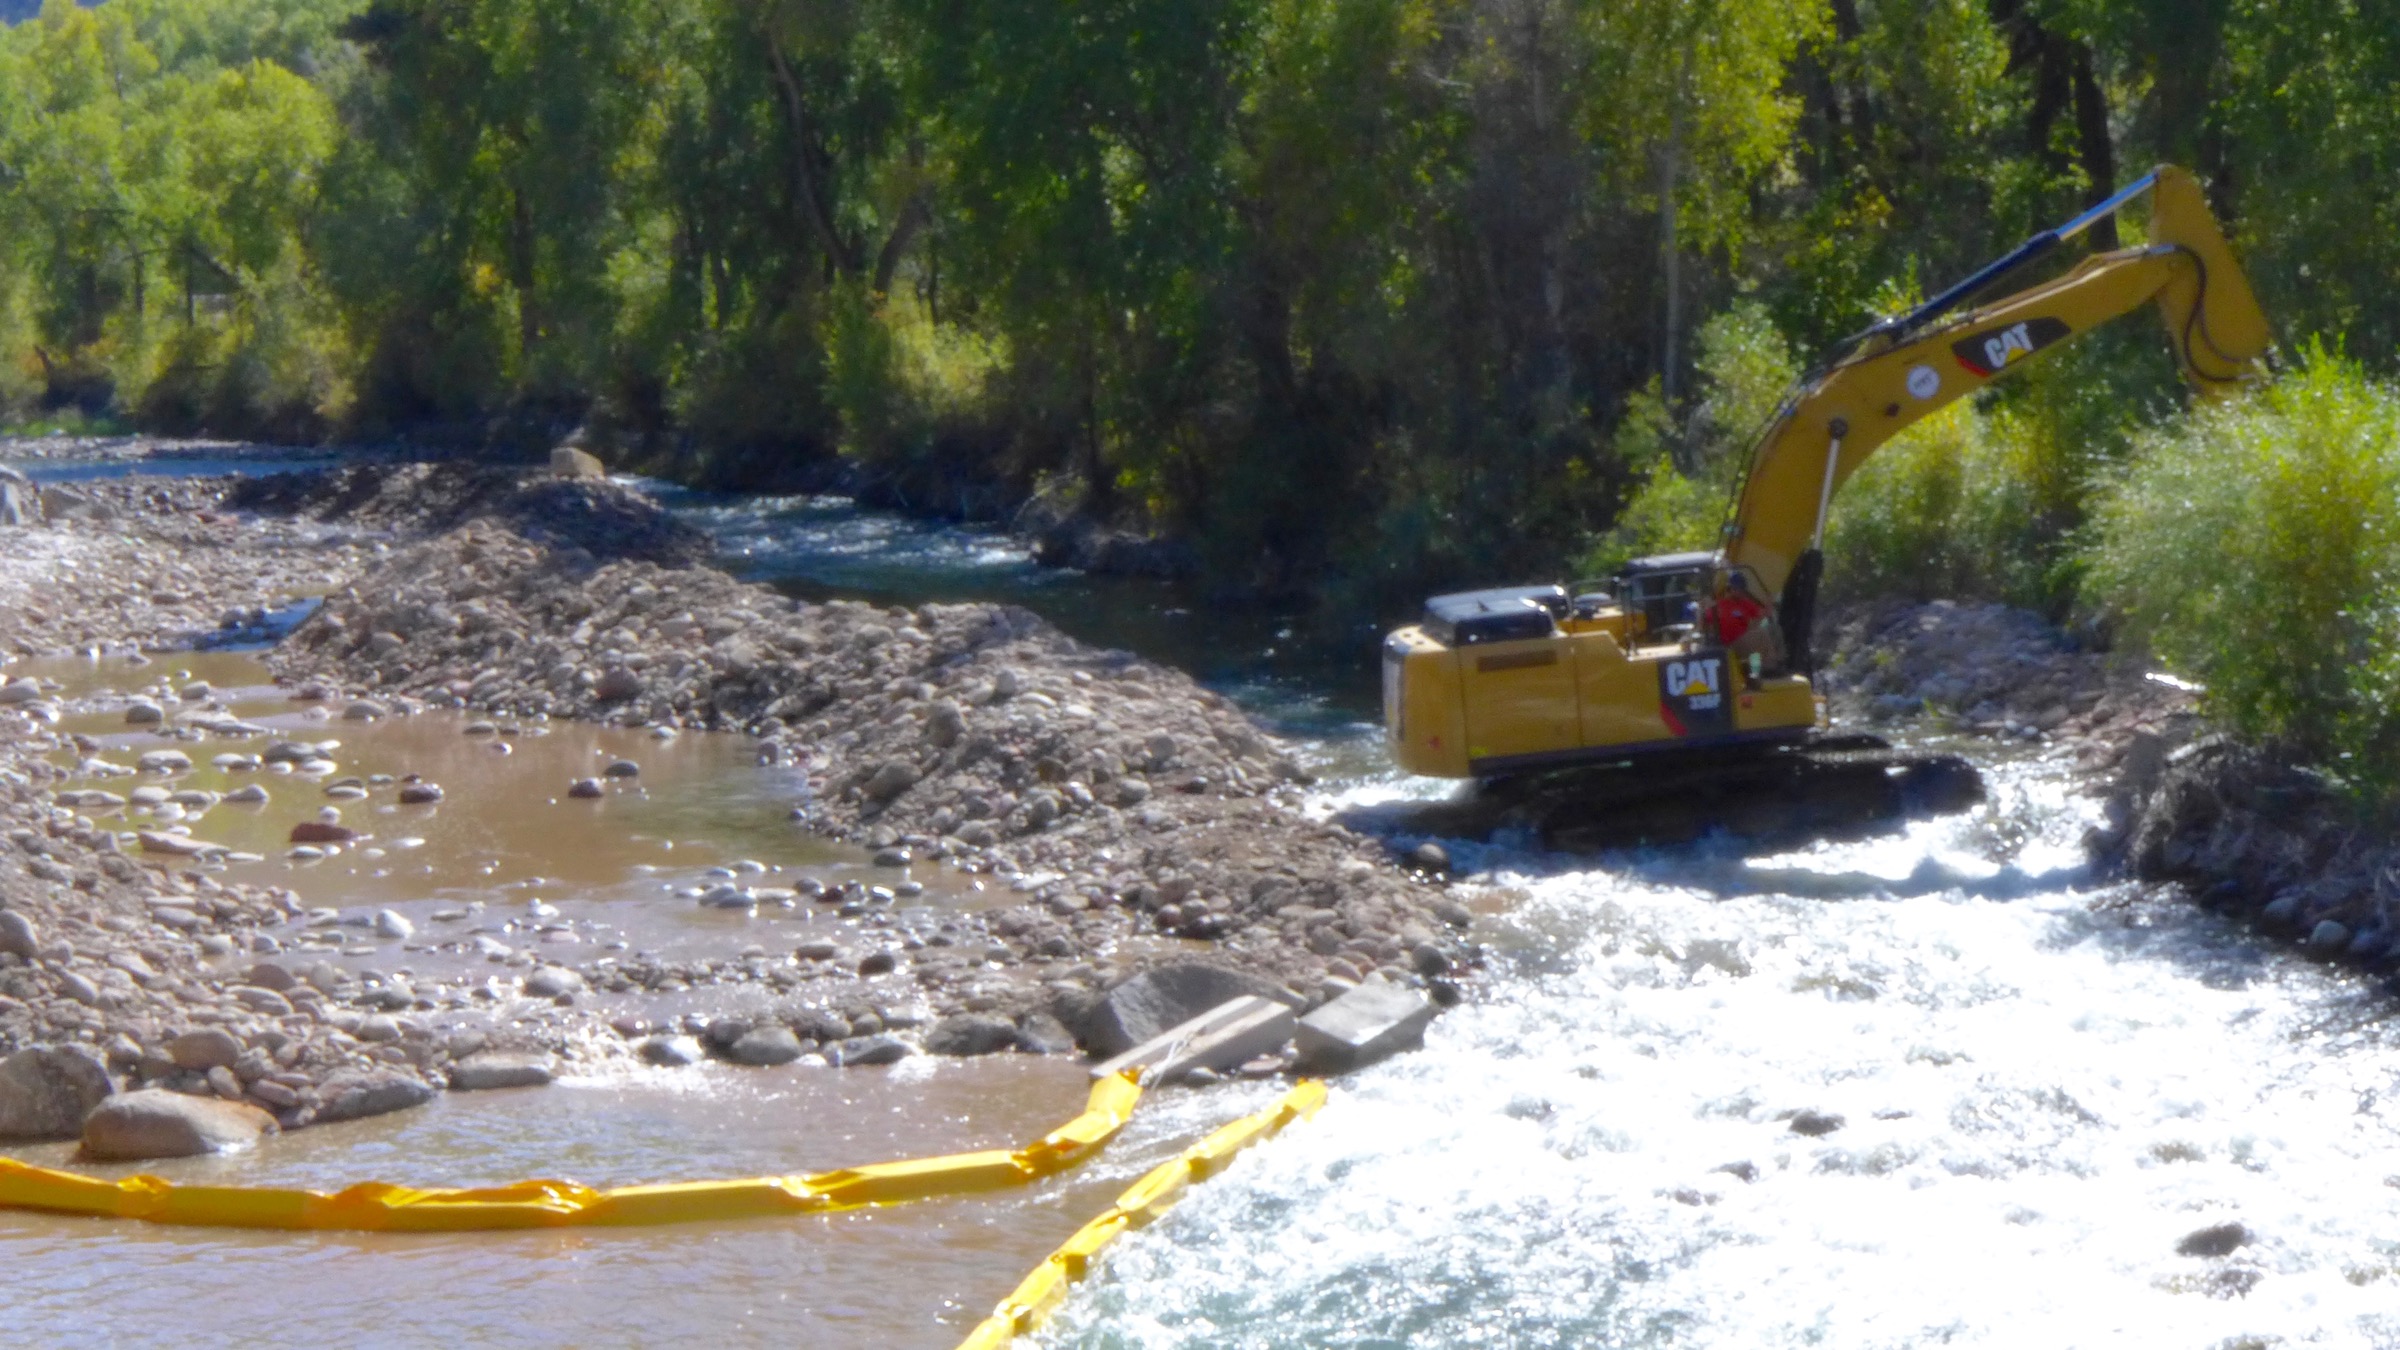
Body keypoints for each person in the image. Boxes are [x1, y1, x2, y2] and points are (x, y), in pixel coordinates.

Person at [1704, 572, 1781, 674]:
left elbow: (1762, 614)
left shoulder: (1745, 603)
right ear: (1730, 589)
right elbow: (1705, 621)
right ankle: (1764, 668)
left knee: (1765, 633)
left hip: (1742, 638)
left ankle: (1767, 666)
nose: (1741, 592)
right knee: (1760, 635)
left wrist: (1769, 603)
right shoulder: (1719, 604)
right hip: (1729, 643)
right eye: (1737, 589)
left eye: (1741, 589)